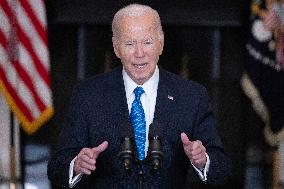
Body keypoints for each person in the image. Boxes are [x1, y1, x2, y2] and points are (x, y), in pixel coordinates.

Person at [48, 3, 231, 189]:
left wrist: (202, 160)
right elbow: (56, 168)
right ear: (116, 48)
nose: (139, 53)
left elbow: (222, 169)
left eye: (147, 42)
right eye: (129, 44)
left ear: (161, 44)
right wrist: (77, 165)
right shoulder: (88, 94)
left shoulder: (191, 95)